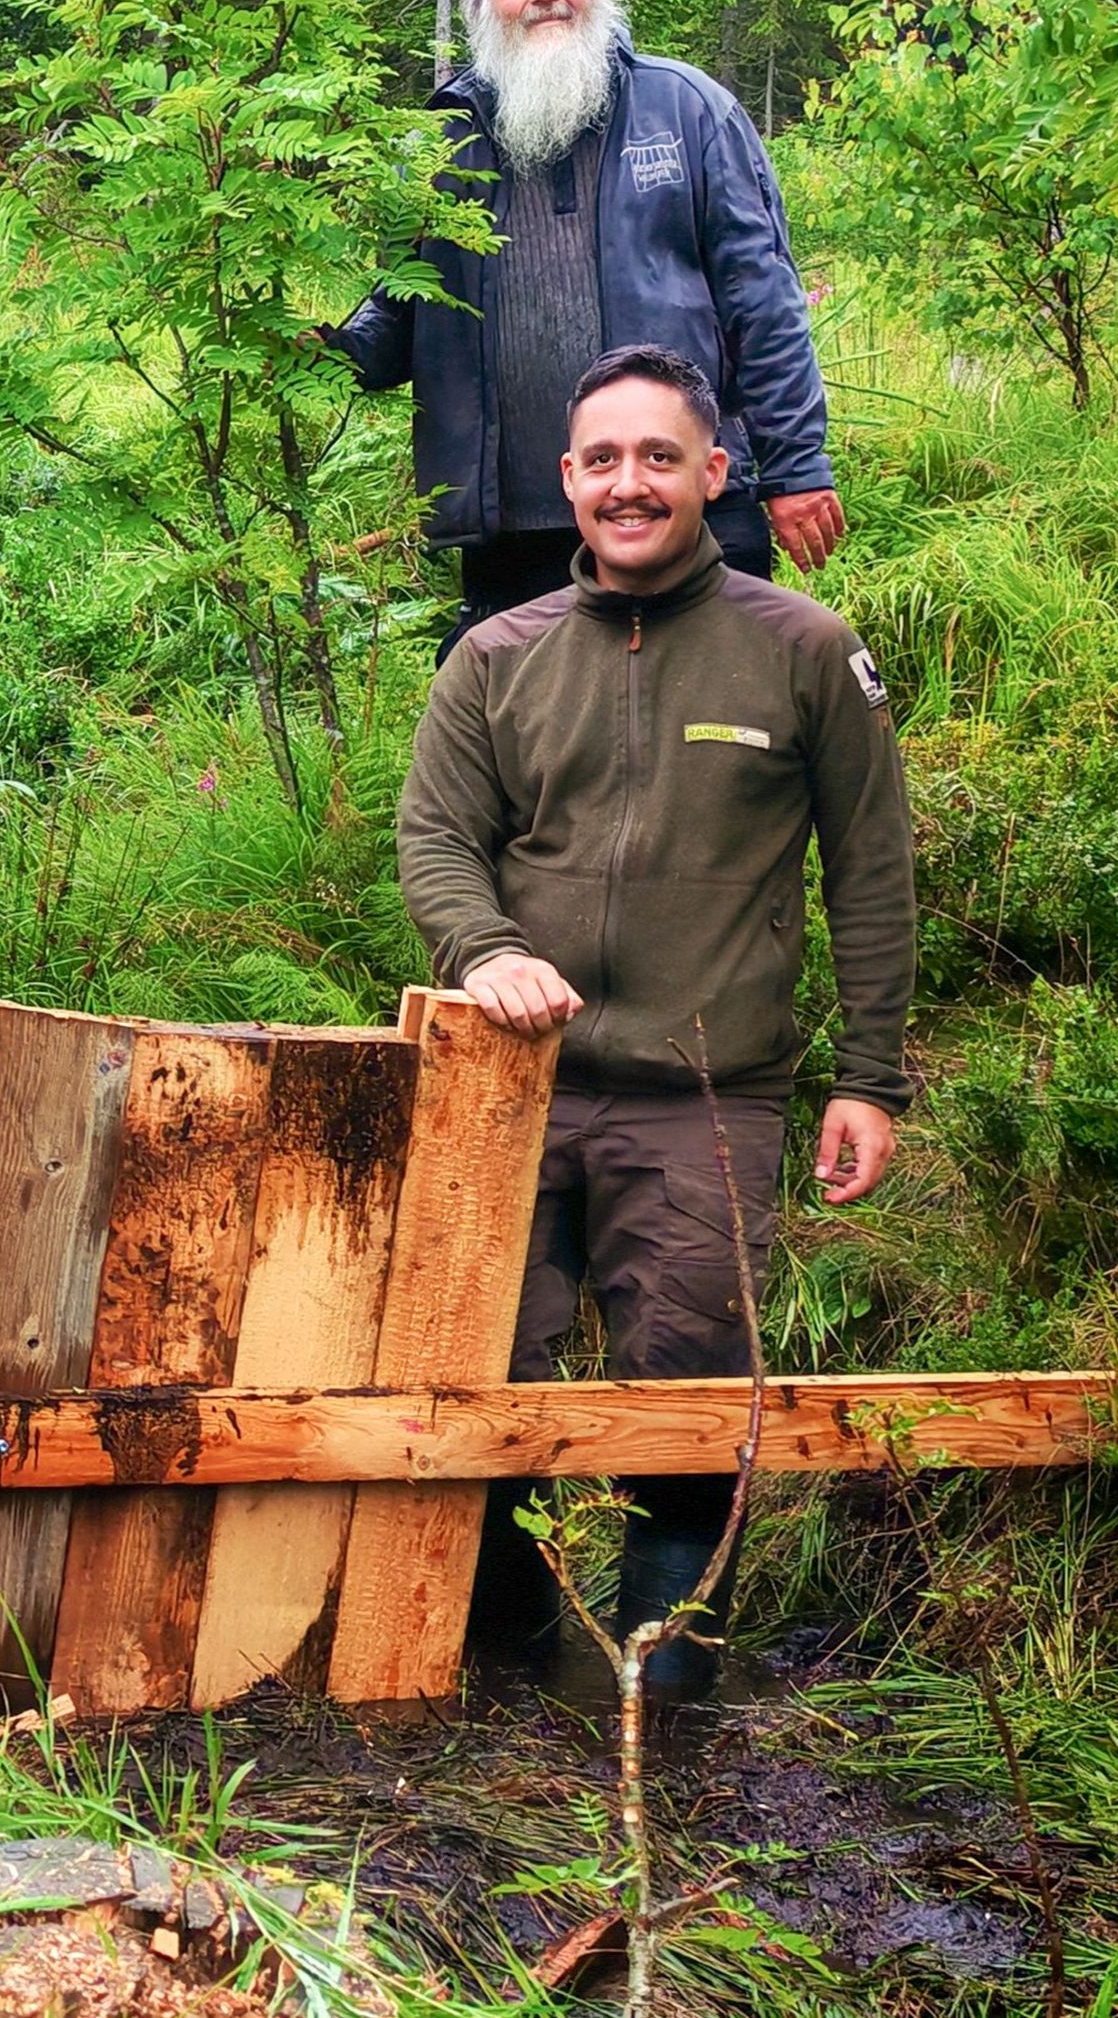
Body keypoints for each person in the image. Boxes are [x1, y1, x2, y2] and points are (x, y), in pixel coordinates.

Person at [397, 342, 915, 1696]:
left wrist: (872, 1077)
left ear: (713, 474)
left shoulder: (802, 650)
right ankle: (491, 1679)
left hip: (707, 1091)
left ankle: (665, 1703)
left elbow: (870, 868)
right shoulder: (496, 658)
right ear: (568, 481)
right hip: (509, 1085)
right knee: (482, 1377)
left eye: (660, 458)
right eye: (605, 460)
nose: (632, 485)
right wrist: (488, 949)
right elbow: (438, 839)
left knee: (684, 1397)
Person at [331, 0, 846, 641]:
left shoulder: (689, 110)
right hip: (513, 531)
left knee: (706, 730)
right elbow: (407, 304)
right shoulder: (439, 145)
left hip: (683, 504)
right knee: (536, 746)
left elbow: (762, 302)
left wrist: (797, 468)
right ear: (484, 5)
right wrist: (321, 349)